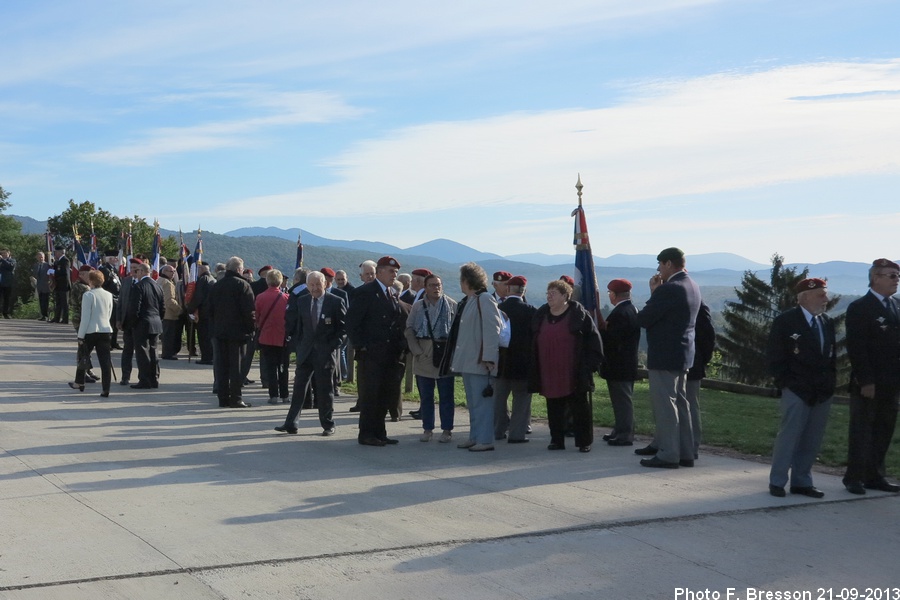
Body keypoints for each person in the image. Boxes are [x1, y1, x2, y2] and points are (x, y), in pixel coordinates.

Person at [766, 278, 836, 498]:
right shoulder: (786, 321)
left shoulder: (826, 322)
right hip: (796, 389)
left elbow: (830, 357)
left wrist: (829, 385)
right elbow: (775, 357)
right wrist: (786, 383)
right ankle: (777, 481)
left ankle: (802, 481)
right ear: (804, 297)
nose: (826, 299)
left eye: (825, 294)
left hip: (822, 390)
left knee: (812, 438)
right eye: (821, 295)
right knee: (789, 437)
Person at [635, 247, 702, 469]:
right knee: (681, 404)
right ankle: (686, 452)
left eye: (660, 265)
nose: (658, 270)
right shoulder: (692, 285)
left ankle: (668, 454)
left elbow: (645, 318)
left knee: (666, 406)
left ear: (668, 264)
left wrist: (654, 292)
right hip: (683, 354)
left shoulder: (669, 289)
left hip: (664, 355)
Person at [843, 258, 900, 495]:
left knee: (884, 429)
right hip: (870, 382)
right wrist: (866, 380)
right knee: (862, 430)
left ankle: (875, 476)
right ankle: (854, 477)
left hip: (892, 382)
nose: (897, 280)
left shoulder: (896, 305)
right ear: (875, 277)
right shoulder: (860, 308)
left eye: (897, 276)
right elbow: (857, 348)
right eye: (892, 276)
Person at [529, 279, 603, 453]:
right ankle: (557, 440)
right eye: (548, 293)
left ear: (565, 296)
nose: (549, 296)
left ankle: (584, 442)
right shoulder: (541, 315)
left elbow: (594, 340)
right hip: (549, 370)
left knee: (579, 407)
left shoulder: (579, 315)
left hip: (574, 371)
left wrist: (591, 365)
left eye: (553, 293)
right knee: (554, 406)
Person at [346, 256, 408, 446]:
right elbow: (352, 322)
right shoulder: (365, 292)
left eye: (396, 272)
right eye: (391, 272)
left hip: (390, 354)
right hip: (371, 355)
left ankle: (380, 432)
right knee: (370, 395)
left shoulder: (391, 293)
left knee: (385, 395)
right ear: (379, 272)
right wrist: (361, 346)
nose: (394, 275)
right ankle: (366, 434)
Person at [278, 271, 347, 436]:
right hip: (305, 352)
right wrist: (299, 346)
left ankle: (328, 424)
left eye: (318, 284)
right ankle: (291, 423)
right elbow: (297, 327)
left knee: (325, 390)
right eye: (312, 285)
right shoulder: (302, 301)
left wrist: (332, 346)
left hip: (325, 353)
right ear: (307, 285)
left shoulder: (335, 302)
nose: (315, 288)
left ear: (325, 284)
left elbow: (343, 329)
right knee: (299, 389)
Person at [447, 262, 502, 452]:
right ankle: (475, 436)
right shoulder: (470, 300)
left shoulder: (485, 299)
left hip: (481, 362)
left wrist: (489, 357)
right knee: (473, 403)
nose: (460, 284)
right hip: (468, 362)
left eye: (462, 280)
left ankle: (485, 440)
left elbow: (492, 330)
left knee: (482, 404)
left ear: (468, 280)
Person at [405, 273, 457, 443]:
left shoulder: (451, 305)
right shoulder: (418, 306)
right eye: (433, 285)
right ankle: (427, 429)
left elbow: (457, 332)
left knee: (446, 396)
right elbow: (409, 328)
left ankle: (447, 429)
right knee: (426, 396)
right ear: (426, 288)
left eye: (439, 285)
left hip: (444, 354)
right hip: (424, 353)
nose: (437, 288)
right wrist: (417, 351)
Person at [493, 275, 536, 444]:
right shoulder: (531, 310)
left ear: (508, 289)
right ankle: (517, 434)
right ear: (523, 291)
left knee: (499, 400)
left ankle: (497, 431)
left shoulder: (498, 308)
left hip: (501, 362)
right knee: (522, 401)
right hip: (524, 363)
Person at [208, 256, 257, 408]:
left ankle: (222, 398)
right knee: (236, 367)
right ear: (238, 270)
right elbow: (249, 311)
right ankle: (235, 398)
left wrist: (214, 328)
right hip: (238, 333)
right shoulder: (243, 285)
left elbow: (209, 310)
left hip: (219, 332)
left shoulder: (217, 285)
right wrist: (251, 329)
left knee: (222, 366)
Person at [600, 278, 640, 447]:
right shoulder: (630, 309)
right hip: (624, 364)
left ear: (615, 295)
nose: (609, 296)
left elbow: (613, 340)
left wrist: (601, 331)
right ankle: (619, 429)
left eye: (610, 293)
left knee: (622, 401)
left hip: (619, 364)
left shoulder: (621, 313)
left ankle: (625, 434)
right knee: (619, 400)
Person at [69, 269, 114, 397]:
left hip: (91, 330)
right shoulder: (108, 295)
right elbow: (109, 314)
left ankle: (79, 382)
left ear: (91, 281)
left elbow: (85, 318)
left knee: (84, 356)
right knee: (105, 362)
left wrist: (80, 335)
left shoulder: (88, 295)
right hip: (105, 330)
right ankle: (106, 388)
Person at [128, 261, 165, 389]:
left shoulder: (138, 286)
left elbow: (135, 308)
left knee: (142, 352)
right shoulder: (157, 286)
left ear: (143, 271)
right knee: (154, 351)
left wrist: (133, 323)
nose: (135, 273)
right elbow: (162, 307)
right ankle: (154, 378)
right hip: (155, 322)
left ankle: (144, 380)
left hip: (142, 322)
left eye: (137, 271)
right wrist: (159, 319)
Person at [686, 301, 715, 459]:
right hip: (676, 363)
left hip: (692, 364)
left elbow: (707, 339)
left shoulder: (698, 306)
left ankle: (692, 446)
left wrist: (701, 360)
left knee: (690, 405)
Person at [256, 269, 290, 405]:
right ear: (280, 281)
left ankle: (273, 395)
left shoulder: (260, 297)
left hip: (266, 336)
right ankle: (285, 395)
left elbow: (257, 318)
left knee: (270, 367)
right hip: (283, 338)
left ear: (267, 281)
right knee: (283, 367)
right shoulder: (286, 298)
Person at [116, 259, 143, 385]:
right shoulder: (126, 281)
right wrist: (118, 319)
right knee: (127, 350)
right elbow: (120, 302)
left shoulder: (144, 282)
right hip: (127, 322)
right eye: (131, 267)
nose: (133, 270)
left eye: (136, 268)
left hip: (140, 323)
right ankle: (125, 376)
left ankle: (142, 377)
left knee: (141, 351)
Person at [159, 264, 183, 360]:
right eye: (171, 271)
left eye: (174, 271)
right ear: (164, 272)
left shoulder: (159, 280)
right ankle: (168, 354)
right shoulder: (168, 283)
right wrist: (179, 309)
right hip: (169, 314)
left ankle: (167, 352)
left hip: (162, 313)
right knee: (169, 335)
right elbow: (169, 300)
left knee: (166, 335)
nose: (173, 273)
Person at [50, 246, 71, 324]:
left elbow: (65, 272)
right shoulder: (58, 261)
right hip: (58, 284)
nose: (55, 254)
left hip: (64, 285)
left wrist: (54, 272)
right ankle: (56, 318)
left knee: (64, 303)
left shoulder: (65, 260)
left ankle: (65, 319)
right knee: (58, 302)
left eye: (56, 252)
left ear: (60, 252)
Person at [31, 251, 52, 321]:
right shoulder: (36, 265)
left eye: (42, 257)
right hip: (39, 286)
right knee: (41, 301)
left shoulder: (48, 265)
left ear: (44, 257)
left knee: (46, 301)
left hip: (46, 286)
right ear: (37, 258)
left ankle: (46, 315)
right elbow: (35, 274)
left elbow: (51, 274)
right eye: (39, 257)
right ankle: (43, 315)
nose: (41, 258)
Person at [0, 249, 17, 318]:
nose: (4, 255)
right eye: (2, 253)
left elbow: (10, 267)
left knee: (7, 298)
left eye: (5, 253)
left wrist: (2, 260)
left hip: (7, 282)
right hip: (0, 282)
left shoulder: (12, 260)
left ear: (9, 253)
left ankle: (6, 313)